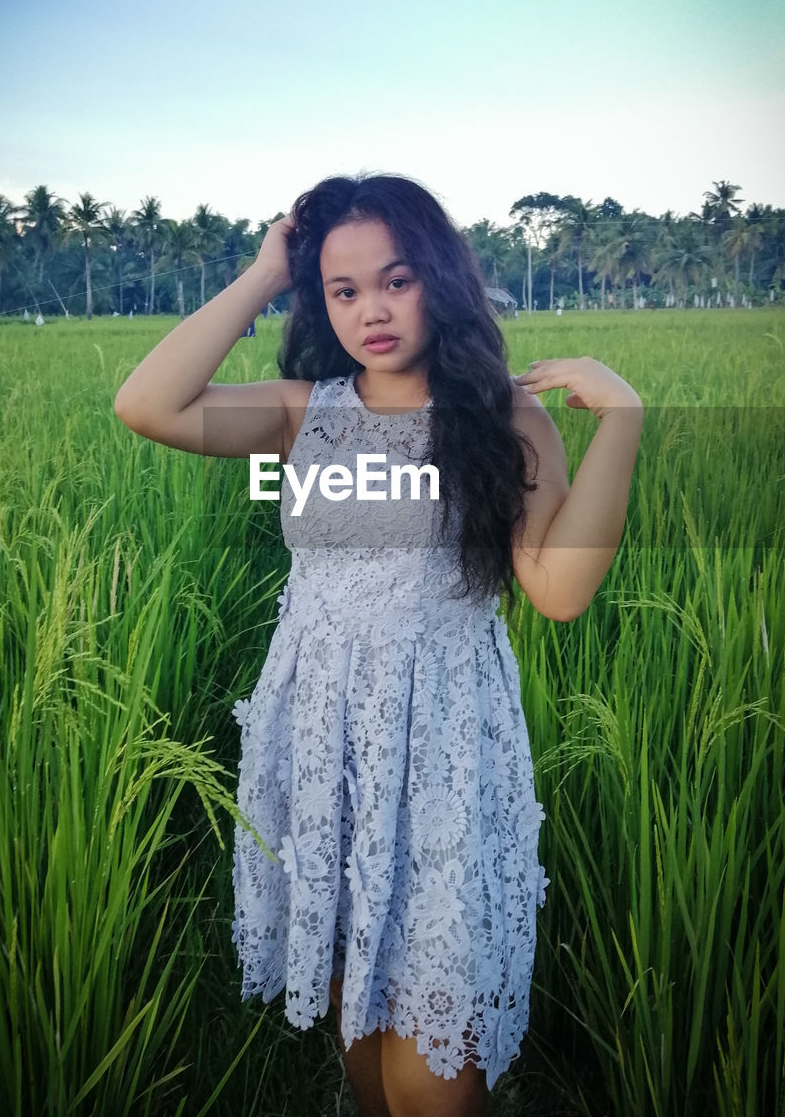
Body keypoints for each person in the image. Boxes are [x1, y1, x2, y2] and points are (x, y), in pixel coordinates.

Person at [113, 173, 643, 1117]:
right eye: (342, 290)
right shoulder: (300, 411)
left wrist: (622, 423)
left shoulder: (503, 422)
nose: (372, 311)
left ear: (440, 278)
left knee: (432, 1074)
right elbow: (146, 403)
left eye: (395, 281)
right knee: (356, 1024)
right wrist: (263, 271)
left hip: (442, 756)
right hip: (326, 752)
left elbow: (559, 590)